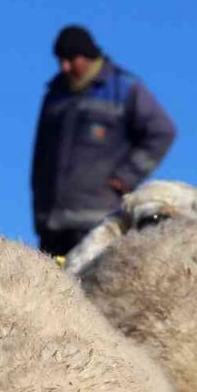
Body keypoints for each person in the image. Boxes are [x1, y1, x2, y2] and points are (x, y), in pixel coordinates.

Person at [30, 24, 177, 257]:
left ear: (87, 55)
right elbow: (40, 157)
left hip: (98, 220)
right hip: (53, 225)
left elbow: (162, 131)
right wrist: (40, 213)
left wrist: (127, 175)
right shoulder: (55, 95)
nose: (64, 66)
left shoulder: (124, 88)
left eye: (70, 59)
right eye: (60, 60)